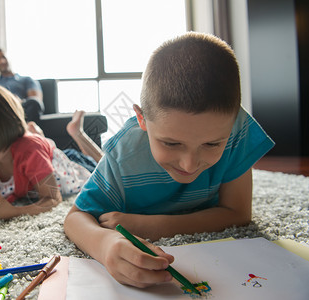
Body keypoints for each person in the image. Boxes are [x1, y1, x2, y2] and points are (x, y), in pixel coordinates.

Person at [63, 32, 275, 288]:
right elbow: (75, 218)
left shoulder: (237, 132)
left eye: (212, 144)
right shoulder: (123, 157)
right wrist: (104, 244)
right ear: (142, 119)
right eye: (171, 143)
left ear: (233, 123)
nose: (189, 164)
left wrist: (147, 225)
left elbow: (238, 213)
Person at [0, 83, 92, 224]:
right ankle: (40, 136)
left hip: (72, 165)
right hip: (40, 156)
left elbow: (53, 199)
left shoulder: (29, 151)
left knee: (100, 164)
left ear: (7, 129)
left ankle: (77, 133)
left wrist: (12, 212)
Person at [0, 48, 44, 122]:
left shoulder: (26, 80)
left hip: (21, 110)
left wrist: (19, 101)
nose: (2, 61)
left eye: (4, 57)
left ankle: (27, 131)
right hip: (0, 112)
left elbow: (36, 101)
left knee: (34, 103)